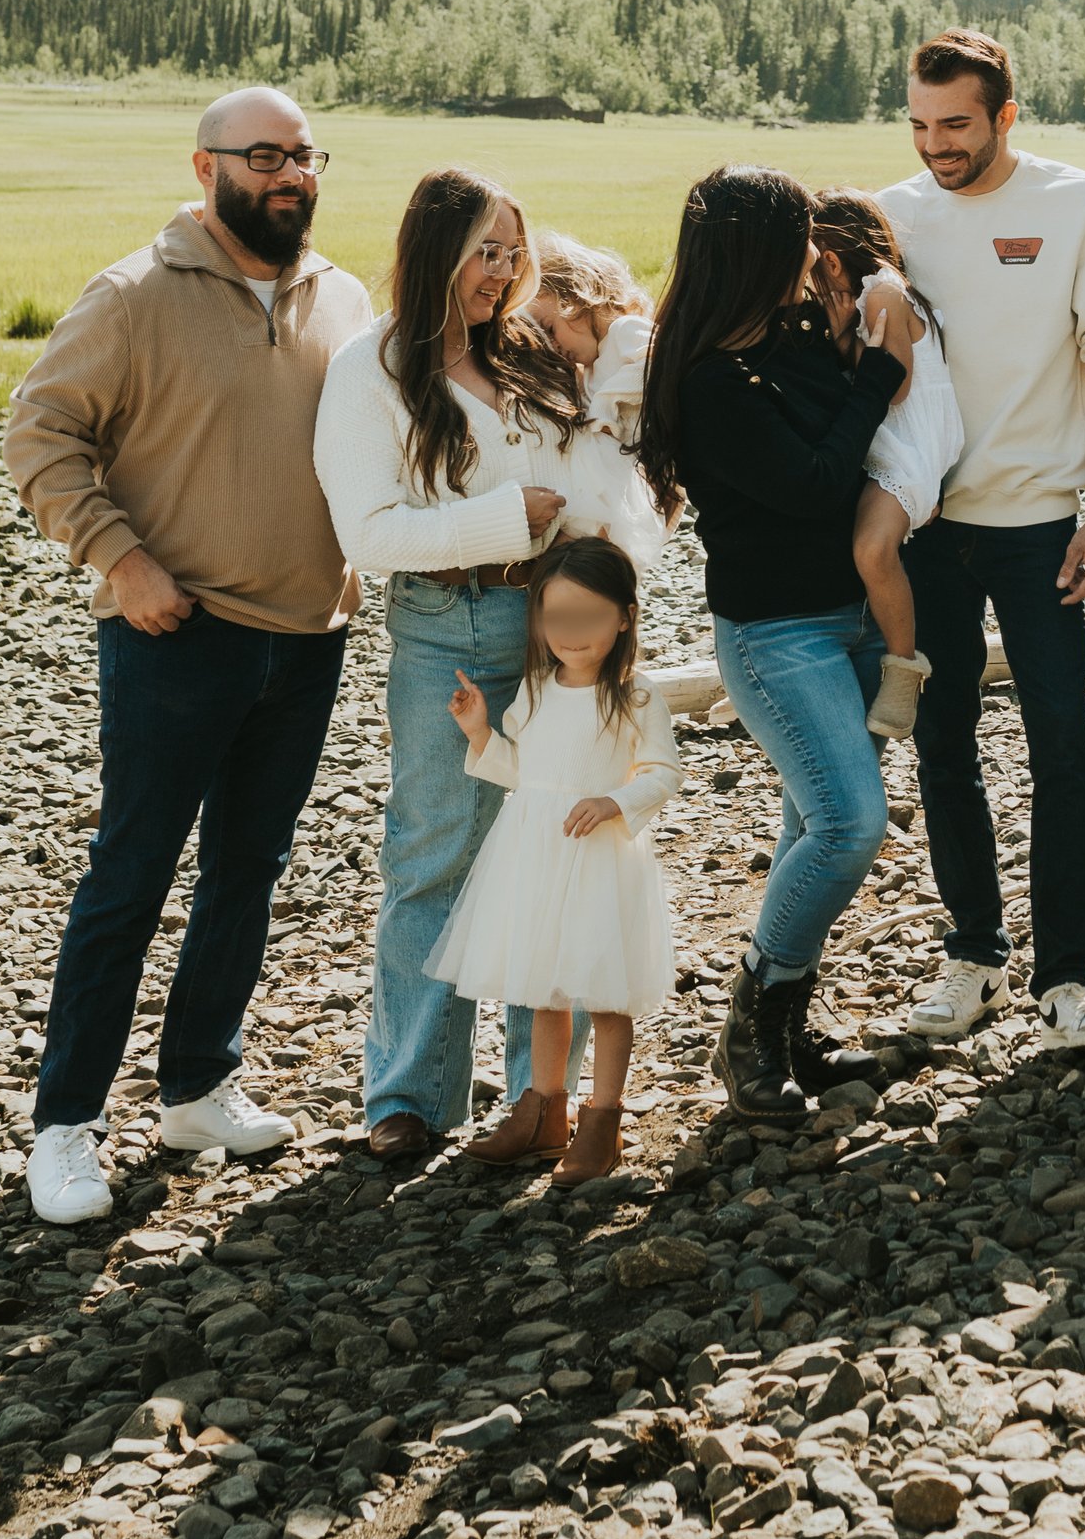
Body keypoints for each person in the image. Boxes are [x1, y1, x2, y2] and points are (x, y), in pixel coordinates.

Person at [6, 89, 375, 1227]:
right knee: (131, 877)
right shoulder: (133, 295)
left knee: (247, 871)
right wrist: (120, 561)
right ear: (205, 164)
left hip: (309, 639)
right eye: (262, 155)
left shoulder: (343, 296)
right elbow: (38, 430)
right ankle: (65, 1124)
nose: (288, 173)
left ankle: (198, 1084)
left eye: (303, 154)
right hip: (179, 636)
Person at [315, 166, 665, 1163]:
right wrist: (507, 517)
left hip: (558, 627)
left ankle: (537, 1098)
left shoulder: (529, 349)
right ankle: (410, 1096)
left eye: (515, 253)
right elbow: (369, 532)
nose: (505, 273)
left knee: (556, 843)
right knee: (436, 848)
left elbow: (606, 437)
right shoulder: (371, 366)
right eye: (486, 252)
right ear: (436, 251)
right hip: (451, 620)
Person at [883, 31, 1085, 1055]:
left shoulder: (1079, 207)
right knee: (942, 744)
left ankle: (1067, 978)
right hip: (922, 530)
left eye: (955, 124)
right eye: (918, 123)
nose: (934, 143)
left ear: (1004, 116)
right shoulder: (889, 218)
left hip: (1042, 524)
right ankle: (975, 955)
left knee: (1061, 748)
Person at [637, 163, 913, 1120]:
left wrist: (846, 346)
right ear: (759, 249)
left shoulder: (793, 334)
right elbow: (818, 482)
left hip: (856, 617)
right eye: (800, 231)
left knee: (813, 825)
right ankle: (751, 1015)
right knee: (849, 821)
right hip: (775, 632)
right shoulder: (711, 379)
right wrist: (878, 369)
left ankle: (788, 1029)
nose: (816, 247)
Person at [430, 537, 679, 1177]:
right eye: (557, 617)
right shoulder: (536, 689)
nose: (573, 633)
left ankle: (603, 1123)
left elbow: (662, 772)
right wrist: (481, 732)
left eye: (590, 617)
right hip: (535, 851)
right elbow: (527, 775)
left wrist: (614, 801)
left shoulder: (637, 695)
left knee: (605, 996)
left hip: (599, 858)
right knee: (545, 991)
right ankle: (543, 1113)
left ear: (624, 617)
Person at [808, 188, 962, 740]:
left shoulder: (881, 295)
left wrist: (836, 332)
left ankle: (903, 670)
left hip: (905, 445)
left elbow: (891, 387)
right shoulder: (882, 290)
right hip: (896, 444)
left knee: (871, 550)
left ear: (828, 258)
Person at [531, 235, 653, 450]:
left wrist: (604, 405)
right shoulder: (589, 371)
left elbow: (658, 366)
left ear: (575, 299)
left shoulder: (625, 329)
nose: (554, 347)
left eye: (550, 329)